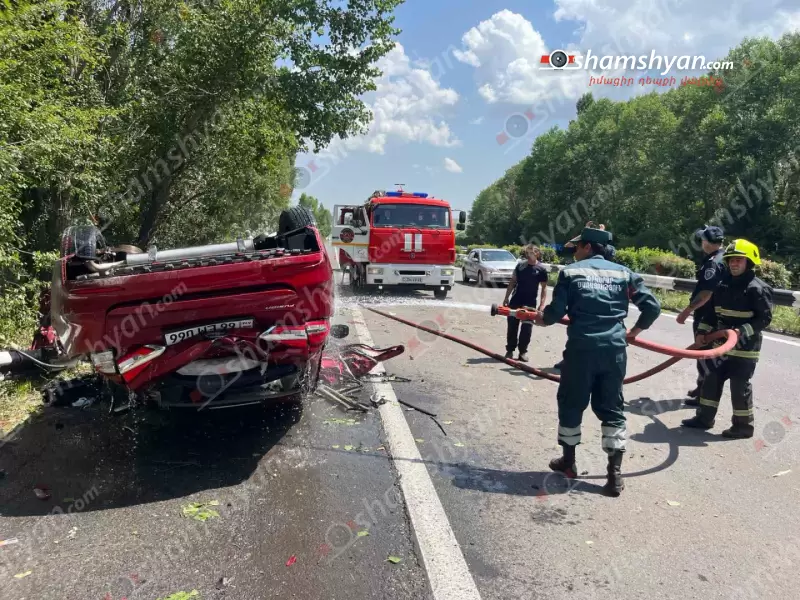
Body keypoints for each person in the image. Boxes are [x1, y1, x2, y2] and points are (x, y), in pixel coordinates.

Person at [533, 224, 661, 497]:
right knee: (612, 409)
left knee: (571, 404)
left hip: (581, 351)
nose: (574, 252)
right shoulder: (624, 273)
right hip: (614, 351)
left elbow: (554, 313)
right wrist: (633, 332)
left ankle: (568, 463)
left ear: (588, 247)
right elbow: (652, 307)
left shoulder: (571, 272)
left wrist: (539, 318)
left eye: (577, 247)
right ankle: (614, 476)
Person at [681, 239, 773, 439]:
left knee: (739, 387)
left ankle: (743, 427)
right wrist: (702, 333)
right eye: (731, 260)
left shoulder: (758, 289)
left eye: (739, 260)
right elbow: (711, 314)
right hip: (720, 345)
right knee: (711, 380)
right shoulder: (722, 285)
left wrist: (740, 332)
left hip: (745, 348)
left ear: (749, 262)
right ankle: (704, 418)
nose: (734, 264)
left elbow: (764, 319)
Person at [676, 225, 726, 405]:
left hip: (707, 315)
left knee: (704, 353)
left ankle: (704, 397)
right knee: (706, 354)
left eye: (703, 239)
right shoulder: (725, 257)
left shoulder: (713, 262)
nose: (701, 243)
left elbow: (706, 293)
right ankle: (702, 389)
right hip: (720, 314)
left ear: (707, 242)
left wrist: (686, 311)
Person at [502, 244, 549, 361]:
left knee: (526, 329)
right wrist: (506, 297)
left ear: (537, 254)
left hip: (530, 303)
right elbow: (512, 282)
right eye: (527, 253)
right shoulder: (520, 266)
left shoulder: (541, 269)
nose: (528, 255)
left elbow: (544, 288)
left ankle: (522, 352)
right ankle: (510, 350)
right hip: (515, 300)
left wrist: (542, 304)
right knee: (512, 326)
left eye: (531, 253)